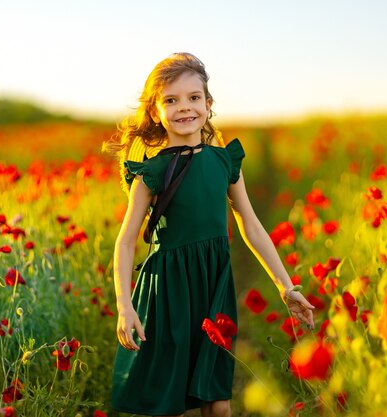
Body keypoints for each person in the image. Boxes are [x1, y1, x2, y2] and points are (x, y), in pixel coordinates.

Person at [103, 52, 315, 417]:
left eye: (193, 97)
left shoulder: (223, 162)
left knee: (217, 397)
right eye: (171, 100)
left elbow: (251, 225)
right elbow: (125, 242)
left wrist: (285, 285)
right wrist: (126, 307)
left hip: (214, 281)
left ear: (208, 103)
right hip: (168, 290)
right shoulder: (150, 173)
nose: (184, 107)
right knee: (174, 397)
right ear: (155, 112)